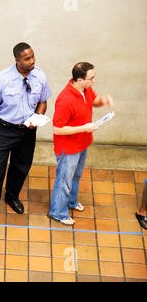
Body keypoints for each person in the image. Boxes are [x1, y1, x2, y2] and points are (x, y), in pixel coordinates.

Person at [0, 42, 52, 222]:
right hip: (5, 130)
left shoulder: (40, 76)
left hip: (27, 132)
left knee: (21, 167)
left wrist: (37, 117)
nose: (32, 61)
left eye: (33, 56)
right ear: (17, 60)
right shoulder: (3, 78)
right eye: (27, 58)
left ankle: (12, 196)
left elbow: (43, 101)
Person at [48, 62, 113, 225]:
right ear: (79, 80)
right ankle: (58, 212)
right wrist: (84, 127)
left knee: (75, 176)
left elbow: (93, 100)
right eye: (91, 78)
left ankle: (70, 201)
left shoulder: (86, 89)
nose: (94, 81)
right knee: (64, 180)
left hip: (82, 143)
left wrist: (102, 100)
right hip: (68, 149)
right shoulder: (65, 100)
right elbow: (57, 129)